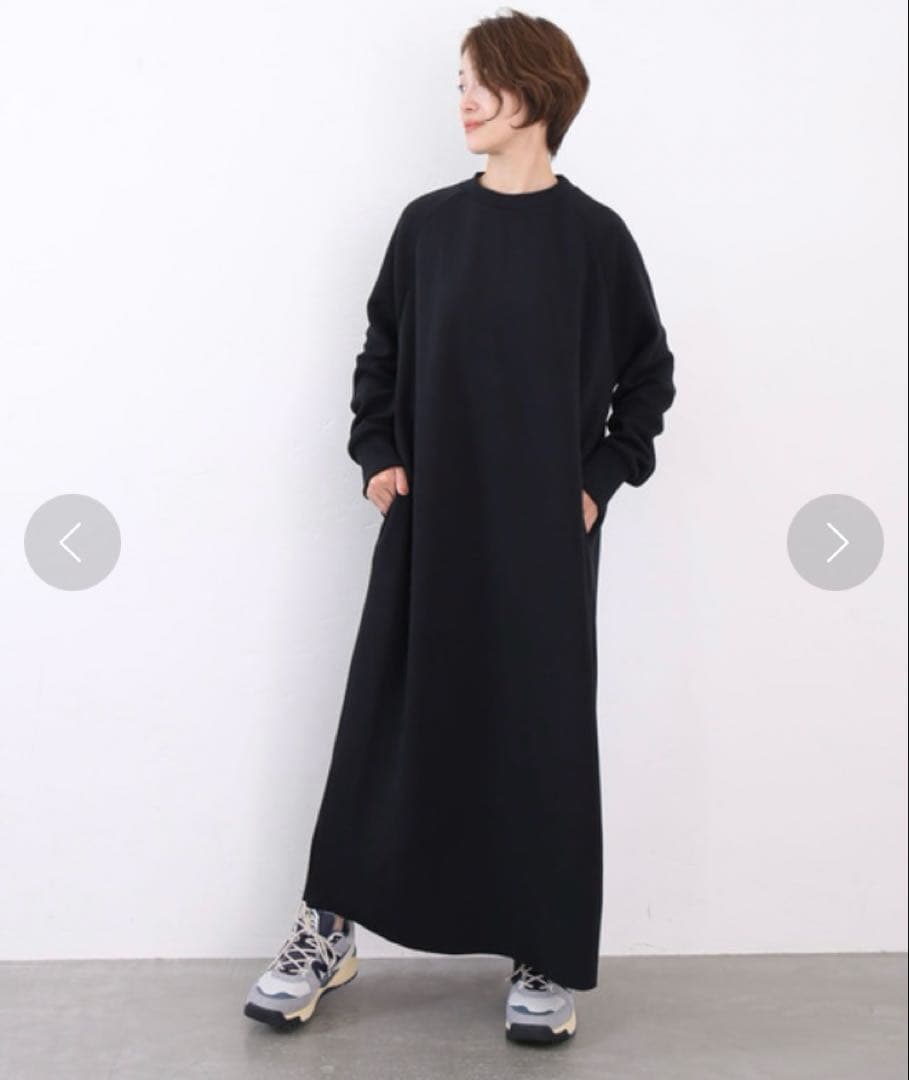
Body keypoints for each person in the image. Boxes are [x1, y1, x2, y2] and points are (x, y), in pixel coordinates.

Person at [244, 7, 676, 1045]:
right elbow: (380, 354)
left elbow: (648, 379)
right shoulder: (428, 227)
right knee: (385, 722)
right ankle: (327, 930)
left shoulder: (595, 239)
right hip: (429, 525)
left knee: (538, 734)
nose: (465, 100)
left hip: (541, 543)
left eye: (481, 80)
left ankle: (541, 947)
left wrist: (595, 483)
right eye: (460, 82)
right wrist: (376, 455)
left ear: (536, 92)